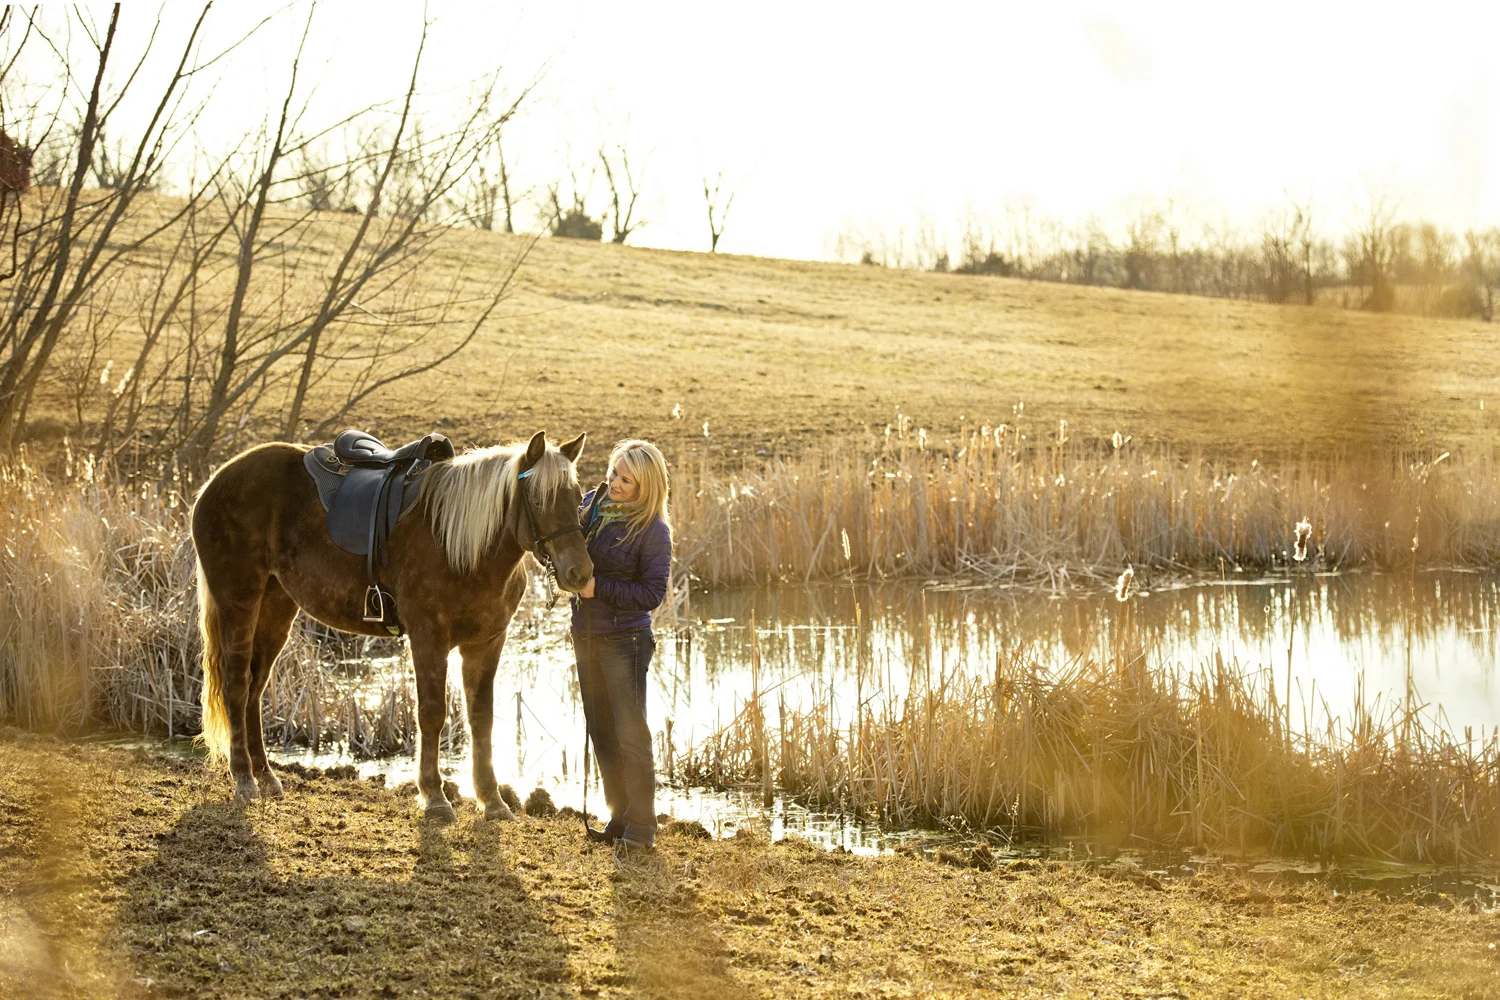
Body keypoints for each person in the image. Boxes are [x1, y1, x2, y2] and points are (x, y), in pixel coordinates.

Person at [572, 439, 673, 851]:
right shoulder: (591, 506)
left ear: (644, 487)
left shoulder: (653, 530)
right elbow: (565, 548)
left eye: (625, 480)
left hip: (626, 639)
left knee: (631, 734)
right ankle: (619, 816)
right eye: (613, 472)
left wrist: (599, 588)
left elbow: (652, 594)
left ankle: (642, 828)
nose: (613, 482)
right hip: (586, 635)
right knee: (601, 730)